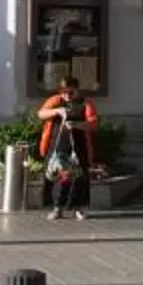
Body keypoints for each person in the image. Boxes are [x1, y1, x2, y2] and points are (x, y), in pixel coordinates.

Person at [37, 76, 98, 222]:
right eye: (64, 92)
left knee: (79, 178)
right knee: (59, 178)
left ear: (77, 90)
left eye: (71, 92)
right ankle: (57, 208)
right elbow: (41, 113)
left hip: (79, 146)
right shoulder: (56, 101)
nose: (67, 96)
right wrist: (57, 111)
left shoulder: (85, 103)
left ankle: (78, 208)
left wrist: (77, 125)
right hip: (58, 145)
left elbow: (94, 123)